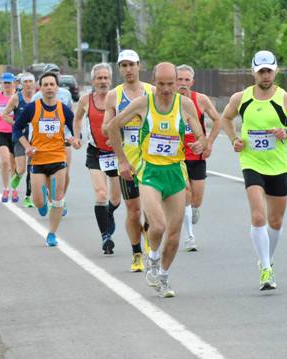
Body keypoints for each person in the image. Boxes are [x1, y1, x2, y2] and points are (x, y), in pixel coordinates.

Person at [107, 62, 207, 298]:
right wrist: (122, 161)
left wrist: (201, 142)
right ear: (154, 81)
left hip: (174, 172)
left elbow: (200, 132)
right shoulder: (143, 103)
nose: (166, 89)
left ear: (176, 82)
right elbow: (112, 126)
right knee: (158, 226)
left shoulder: (185, 104)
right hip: (150, 173)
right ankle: (152, 256)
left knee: (173, 235)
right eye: (161, 84)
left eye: (170, 84)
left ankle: (162, 276)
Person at [220, 50, 287, 291]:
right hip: (251, 163)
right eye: (261, 71)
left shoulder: (286, 99)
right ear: (253, 72)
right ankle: (266, 269)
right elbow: (225, 118)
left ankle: (266, 258)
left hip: (278, 165)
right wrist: (234, 139)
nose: (265, 75)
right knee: (258, 216)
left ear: (276, 71)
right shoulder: (242, 98)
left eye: (269, 70)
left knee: (276, 221)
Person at [102, 49, 153, 262]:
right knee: (133, 211)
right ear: (119, 69)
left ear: (139, 66)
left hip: (152, 160)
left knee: (151, 208)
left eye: (132, 64)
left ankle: (151, 240)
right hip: (127, 161)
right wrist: (115, 129)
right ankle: (136, 253)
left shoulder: (152, 91)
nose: (129, 69)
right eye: (124, 65)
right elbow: (106, 126)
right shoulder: (114, 95)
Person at [13, 71, 76, 247]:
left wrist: (74, 140)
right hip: (38, 160)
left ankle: (52, 234)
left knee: (57, 199)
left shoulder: (64, 110)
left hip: (58, 159)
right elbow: (17, 129)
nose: (49, 87)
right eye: (46, 85)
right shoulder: (33, 108)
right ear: (41, 88)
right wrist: (27, 147)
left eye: (52, 84)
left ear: (57, 88)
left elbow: (75, 131)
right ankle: (41, 203)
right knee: (38, 201)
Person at [72, 63, 124, 260]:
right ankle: (106, 236)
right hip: (96, 152)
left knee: (116, 200)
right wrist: (77, 136)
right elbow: (77, 119)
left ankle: (108, 214)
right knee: (101, 193)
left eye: (105, 78)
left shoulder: (118, 98)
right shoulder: (86, 100)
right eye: (99, 78)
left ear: (111, 80)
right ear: (92, 81)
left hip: (117, 153)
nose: (103, 82)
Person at [176, 64, 222, 251]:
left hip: (197, 155)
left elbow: (218, 120)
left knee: (197, 197)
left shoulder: (200, 100)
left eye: (187, 80)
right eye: (180, 79)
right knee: (186, 193)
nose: (183, 83)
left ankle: (192, 211)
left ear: (192, 82)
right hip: (176, 156)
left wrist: (208, 142)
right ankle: (189, 237)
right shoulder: (168, 101)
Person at [31, 64, 73, 216]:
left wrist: (73, 135)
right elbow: (33, 121)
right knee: (48, 174)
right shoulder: (37, 97)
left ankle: (60, 198)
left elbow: (70, 116)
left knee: (65, 171)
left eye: (56, 73)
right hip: (44, 142)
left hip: (64, 138)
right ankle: (48, 198)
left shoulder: (66, 94)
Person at [2, 72, 37, 208]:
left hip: (35, 137)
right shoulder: (16, 98)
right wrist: (17, 124)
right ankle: (17, 175)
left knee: (32, 168)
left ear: (34, 83)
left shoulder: (38, 97)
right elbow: (4, 114)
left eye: (30, 81)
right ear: (21, 84)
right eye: (26, 81)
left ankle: (28, 197)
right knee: (21, 169)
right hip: (20, 137)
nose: (28, 84)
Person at [0, 73, 17, 202]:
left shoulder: (17, 97)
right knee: (5, 161)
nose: (7, 85)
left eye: (9, 82)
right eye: (5, 83)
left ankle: (14, 189)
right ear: (2, 83)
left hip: (15, 133)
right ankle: (6, 189)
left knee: (14, 164)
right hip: (1, 132)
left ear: (14, 83)